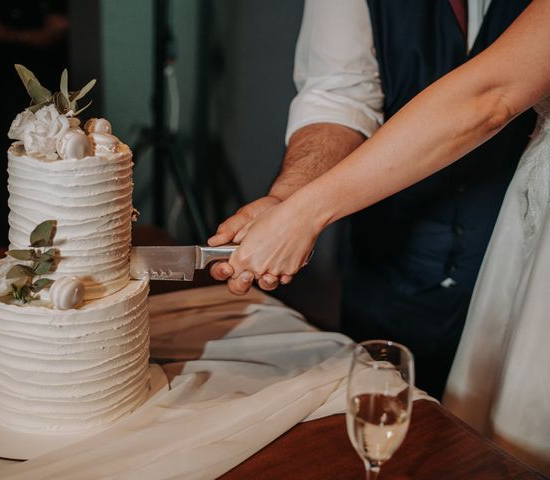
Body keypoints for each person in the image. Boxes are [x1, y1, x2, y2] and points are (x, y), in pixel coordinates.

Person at [215, 0, 550, 473]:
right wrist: (289, 200)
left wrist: (303, 215)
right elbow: (340, 96)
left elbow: (490, 98)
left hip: (518, 260)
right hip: (393, 262)